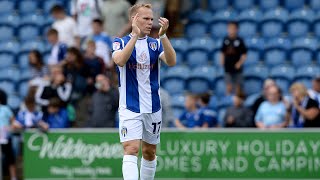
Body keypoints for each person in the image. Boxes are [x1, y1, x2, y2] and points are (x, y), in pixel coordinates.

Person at [112, 3, 176, 180]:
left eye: (152, 19)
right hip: (130, 106)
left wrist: (163, 36)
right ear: (134, 19)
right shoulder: (120, 42)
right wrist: (134, 36)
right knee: (131, 149)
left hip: (153, 106)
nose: (150, 23)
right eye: (146, 19)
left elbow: (171, 61)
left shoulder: (155, 44)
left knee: (149, 152)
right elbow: (119, 60)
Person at [220, 21, 247, 95]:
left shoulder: (240, 40)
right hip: (227, 67)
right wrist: (221, 60)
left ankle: (237, 100)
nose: (231, 30)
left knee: (237, 86)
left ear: (237, 29)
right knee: (228, 86)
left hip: (237, 68)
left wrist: (239, 63)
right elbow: (222, 52)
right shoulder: (225, 40)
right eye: (229, 28)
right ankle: (227, 101)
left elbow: (244, 54)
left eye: (233, 28)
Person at [0, 101, 17, 180]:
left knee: (10, 157)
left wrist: (10, 127)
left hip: (5, 137)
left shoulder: (5, 109)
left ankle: (13, 177)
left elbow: (13, 121)